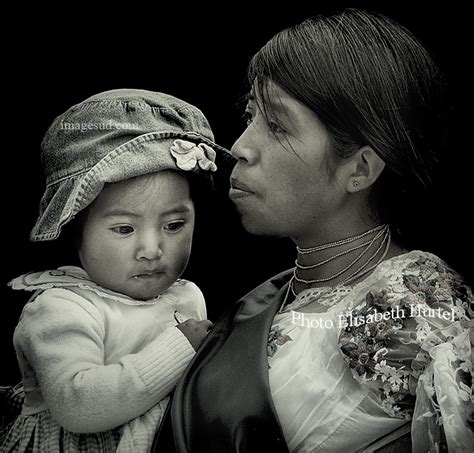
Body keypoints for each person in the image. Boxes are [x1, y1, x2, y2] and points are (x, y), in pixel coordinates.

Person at [153, 9, 473, 453]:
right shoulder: (284, 292)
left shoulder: (417, 310)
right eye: (251, 115)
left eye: (278, 125)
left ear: (360, 168)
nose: (241, 147)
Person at [0, 89, 230, 452]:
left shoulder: (186, 295)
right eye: (125, 229)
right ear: (76, 228)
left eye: (173, 225)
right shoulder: (60, 308)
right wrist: (180, 348)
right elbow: (77, 406)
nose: (152, 250)